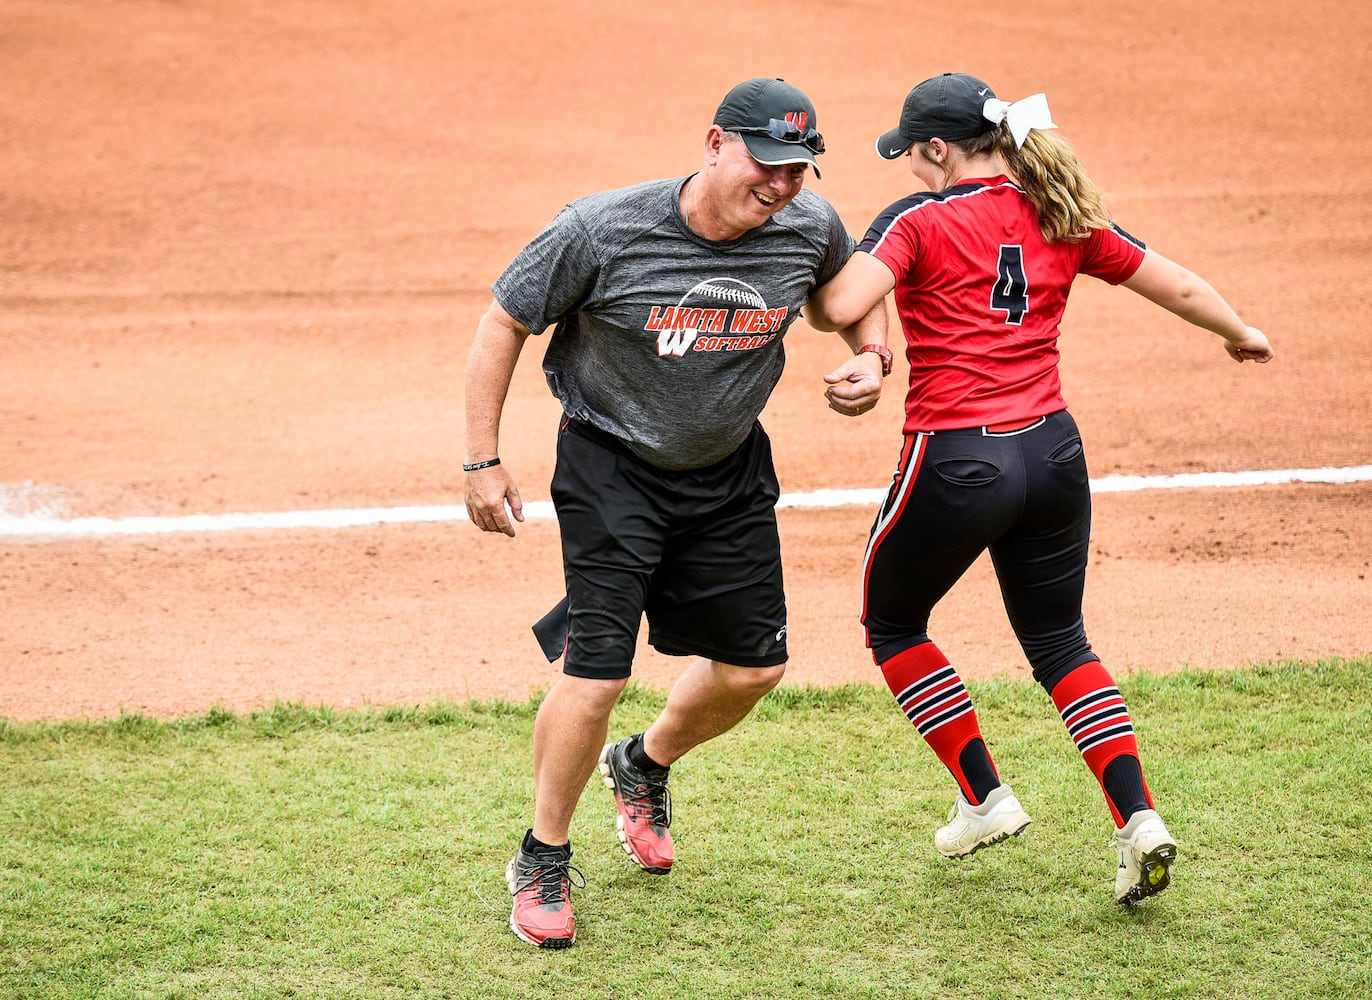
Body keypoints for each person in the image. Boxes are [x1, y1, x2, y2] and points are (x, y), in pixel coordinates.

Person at [805, 72, 1273, 908]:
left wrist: (820, 262)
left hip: (955, 460)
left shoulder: (917, 220)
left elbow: (838, 300)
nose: (911, 168)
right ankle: (1137, 819)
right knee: (1061, 641)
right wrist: (1239, 332)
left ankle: (985, 797)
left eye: (913, 155)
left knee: (893, 621)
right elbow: (1178, 285)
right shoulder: (1061, 210)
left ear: (940, 149)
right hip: (1054, 454)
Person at [464, 77, 889, 948]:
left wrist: (877, 358)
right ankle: (542, 857)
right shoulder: (603, 228)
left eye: (797, 171)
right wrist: (482, 458)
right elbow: (504, 320)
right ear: (713, 145)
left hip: (728, 471)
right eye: (765, 164)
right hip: (610, 465)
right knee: (598, 673)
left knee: (752, 670)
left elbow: (855, 289)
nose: (779, 186)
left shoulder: (809, 225)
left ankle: (642, 763)